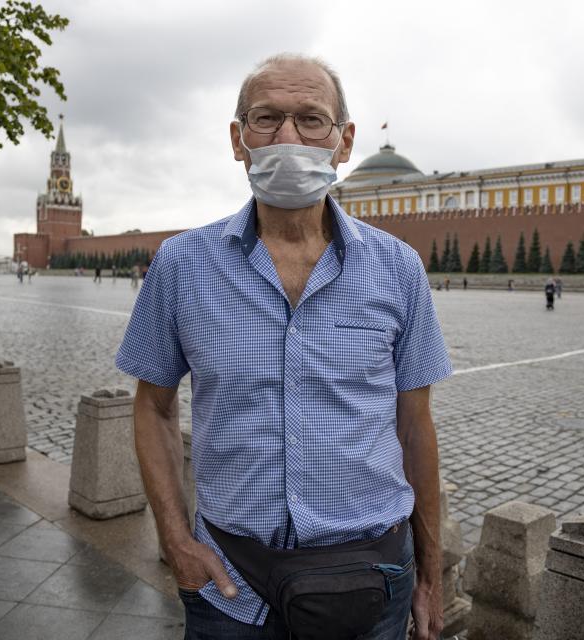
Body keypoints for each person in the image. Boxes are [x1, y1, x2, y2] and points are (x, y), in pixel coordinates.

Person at [115, 54, 451, 640]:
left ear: (344, 142)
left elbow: (415, 427)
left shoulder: (397, 269)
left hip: (370, 577)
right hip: (229, 581)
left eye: (311, 120)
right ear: (237, 139)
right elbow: (154, 406)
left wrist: (430, 575)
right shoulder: (180, 265)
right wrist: (176, 542)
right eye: (266, 119)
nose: (288, 137)